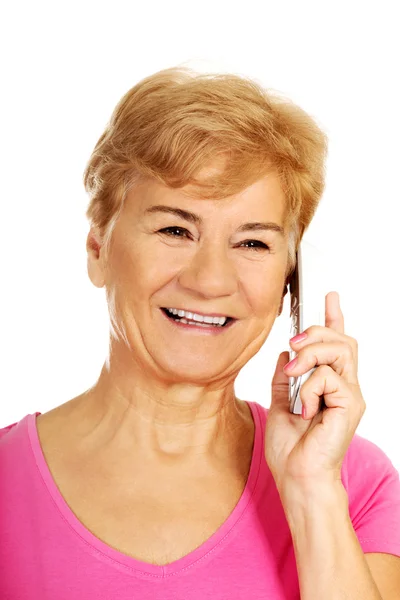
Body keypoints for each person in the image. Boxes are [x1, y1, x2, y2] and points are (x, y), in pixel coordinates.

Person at [1, 66, 399, 599]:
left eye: (253, 243)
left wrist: (311, 495)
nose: (210, 280)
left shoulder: (351, 482)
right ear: (98, 249)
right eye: (175, 229)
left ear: (290, 281)